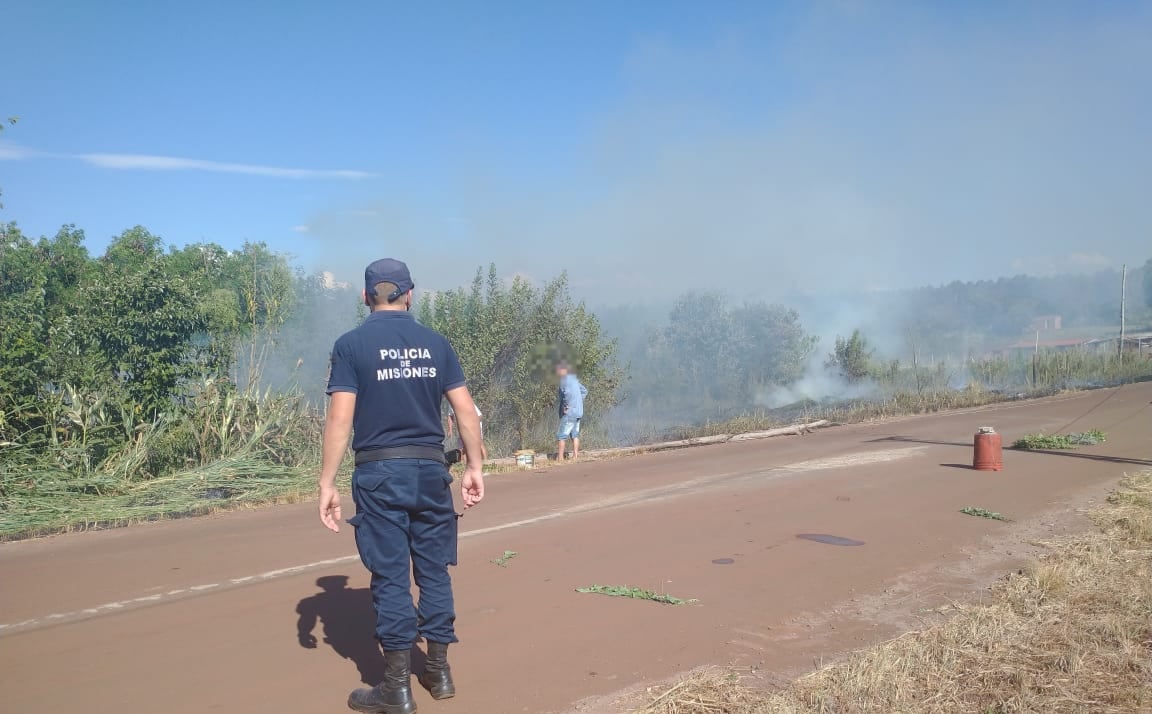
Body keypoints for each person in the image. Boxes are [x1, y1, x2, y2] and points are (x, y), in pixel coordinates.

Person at [318, 258, 485, 714]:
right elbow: (466, 412)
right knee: (433, 571)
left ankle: (396, 687)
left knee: (391, 576)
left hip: (379, 474)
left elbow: (340, 417)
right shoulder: (435, 343)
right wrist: (475, 466)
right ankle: (440, 673)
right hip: (432, 473)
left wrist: (327, 482)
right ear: (411, 294)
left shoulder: (351, 345)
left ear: (367, 296)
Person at [555, 361, 587, 461]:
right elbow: (585, 391)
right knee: (575, 434)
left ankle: (560, 458)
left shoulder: (564, 381)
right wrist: (578, 402)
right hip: (578, 412)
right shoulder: (574, 380)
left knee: (561, 436)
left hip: (570, 413)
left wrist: (566, 406)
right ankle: (575, 456)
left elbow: (566, 395)